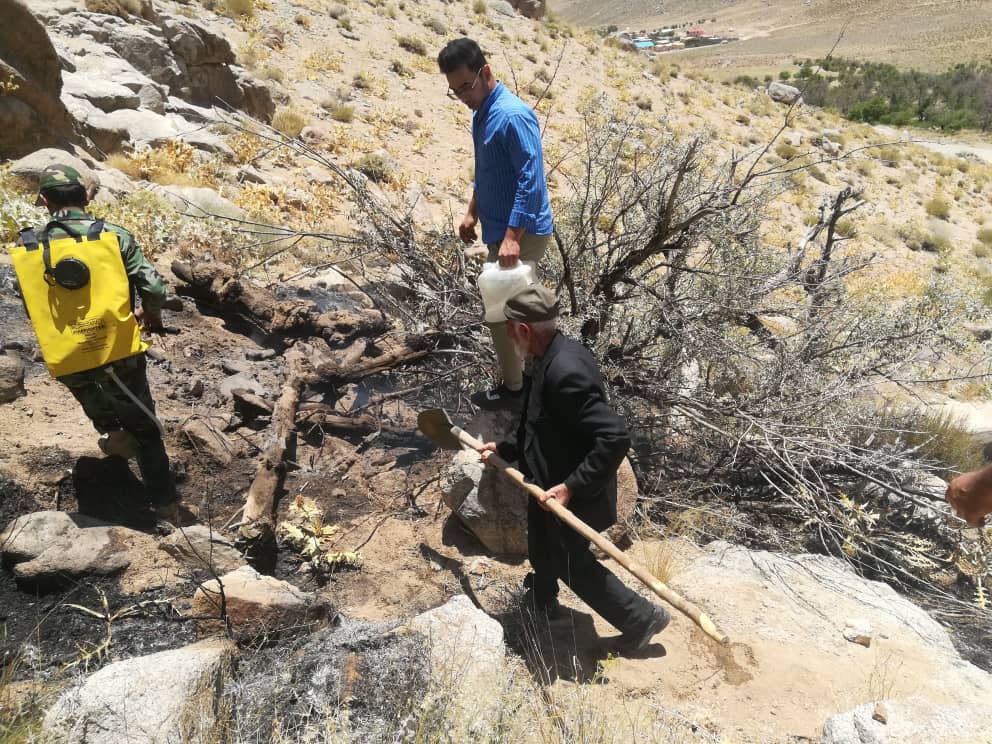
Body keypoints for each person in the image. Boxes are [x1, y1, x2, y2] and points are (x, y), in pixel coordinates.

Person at [477, 284, 670, 652]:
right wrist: (504, 449)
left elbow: (614, 437)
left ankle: (641, 618)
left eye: (510, 329)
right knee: (541, 543)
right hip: (547, 483)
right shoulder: (546, 355)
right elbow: (538, 422)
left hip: (573, 490)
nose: (508, 337)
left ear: (524, 329)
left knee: (569, 561)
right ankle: (543, 597)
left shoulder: (565, 371)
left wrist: (571, 487)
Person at [24, 165, 179, 523]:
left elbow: (32, 303)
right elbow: (155, 288)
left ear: (44, 200)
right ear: (87, 197)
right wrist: (150, 315)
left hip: (67, 351)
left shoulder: (30, 243)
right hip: (115, 348)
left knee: (94, 398)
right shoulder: (113, 235)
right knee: (145, 427)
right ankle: (165, 507)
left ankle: (115, 440)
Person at [437, 37, 554, 412]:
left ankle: (520, 391)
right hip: (500, 231)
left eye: (466, 86)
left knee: (506, 313)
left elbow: (531, 181)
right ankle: (527, 385)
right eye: (455, 91)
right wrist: (472, 212)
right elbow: (488, 173)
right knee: (510, 312)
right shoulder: (482, 113)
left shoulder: (512, 115)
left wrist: (512, 237)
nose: (463, 97)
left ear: (485, 72)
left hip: (523, 232)